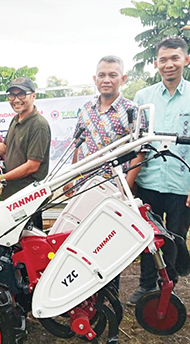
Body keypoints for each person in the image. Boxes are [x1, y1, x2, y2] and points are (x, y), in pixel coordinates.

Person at [128, 36, 190, 305]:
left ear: (186, 60)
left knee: (176, 237)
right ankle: (145, 286)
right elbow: (136, 140)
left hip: (182, 183)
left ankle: (168, 287)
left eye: (175, 58)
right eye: (163, 60)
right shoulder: (144, 97)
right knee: (148, 236)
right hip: (149, 180)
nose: (169, 65)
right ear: (156, 63)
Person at [71, 55, 147, 292]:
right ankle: (82, 295)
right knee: (79, 240)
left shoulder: (132, 111)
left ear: (123, 78)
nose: (107, 80)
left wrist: (124, 187)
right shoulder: (85, 110)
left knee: (107, 244)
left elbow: (139, 153)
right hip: (83, 188)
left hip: (112, 189)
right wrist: (72, 180)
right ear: (95, 79)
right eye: (102, 75)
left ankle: (109, 300)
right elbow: (77, 145)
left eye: (112, 75)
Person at [0, 77, 51, 229]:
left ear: (33, 96)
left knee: (29, 243)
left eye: (22, 94)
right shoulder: (16, 119)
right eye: (12, 95)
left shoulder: (39, 125)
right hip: (13, 197)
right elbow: (6, 148)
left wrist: (1, 177)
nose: (16, 100)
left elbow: (32, 166)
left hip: (28, 198)